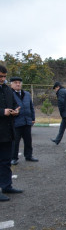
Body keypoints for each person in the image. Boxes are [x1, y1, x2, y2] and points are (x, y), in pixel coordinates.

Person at [0, 65, 23, 202]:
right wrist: (2, 112)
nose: (2, 79)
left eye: (4, 76)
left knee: (5, 161)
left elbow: (15, 104)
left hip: (7, 132)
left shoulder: (8, 89)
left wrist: (16, 110)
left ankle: (7, 185)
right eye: (0, 76)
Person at [10, 77, 38, 165]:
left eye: (19, 82)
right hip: (16, 122)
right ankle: (13, 158)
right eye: (15, 82)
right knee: (15, 141)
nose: (18, 84)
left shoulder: (27, 94)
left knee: (28, 140)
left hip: (27, 121)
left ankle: (28, 155)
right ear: (11, 84)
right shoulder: (9, 94)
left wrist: (33, 118)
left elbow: (31, 107)